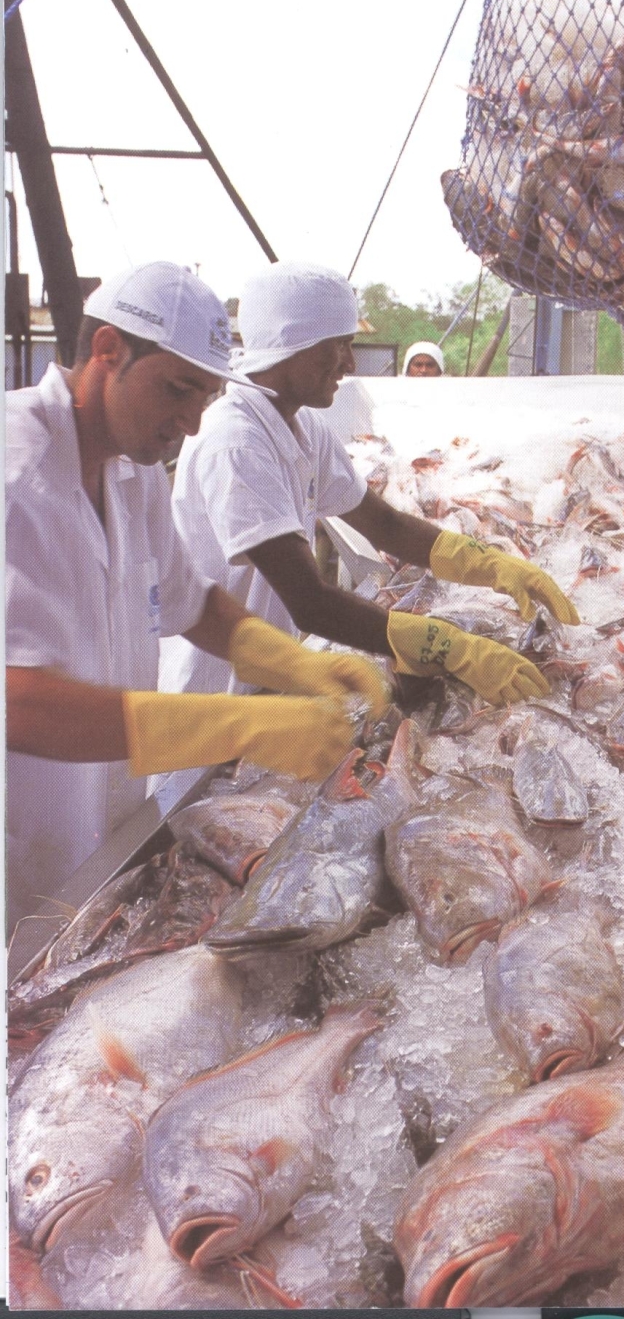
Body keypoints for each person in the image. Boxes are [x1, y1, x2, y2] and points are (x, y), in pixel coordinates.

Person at [5, 263, 389, 934]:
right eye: (176, 390)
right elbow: (19, 702)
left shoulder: (135, 467)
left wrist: (293, 666)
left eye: (203, 398)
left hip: (103, 833)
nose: (187, 422)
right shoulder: (18, 474)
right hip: (21, 842)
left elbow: (192, 603)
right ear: (106, 352)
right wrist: (235, 725)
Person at [161, 261, 578, 739]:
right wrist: (448, 647)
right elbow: (309, 602)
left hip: (274, 685)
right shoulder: (235, 441)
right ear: (291, 347)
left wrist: (490, 565)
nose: (350, 364)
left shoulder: (302, 426)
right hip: (216, 698)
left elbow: (383, 524)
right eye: (337, 346)